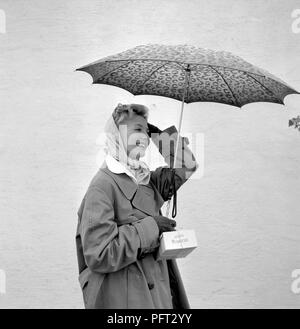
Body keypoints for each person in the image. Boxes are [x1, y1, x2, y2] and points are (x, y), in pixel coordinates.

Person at [75, 103, 198, 309]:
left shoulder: (146, 179)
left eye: (146, 130)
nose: (145, 136)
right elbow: (99, 254)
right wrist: (152, 226)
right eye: (137, 129)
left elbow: (186, 166)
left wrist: (164, 139)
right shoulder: (102, 186)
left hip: (158, 294)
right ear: (117, 133)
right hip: (124, 298)